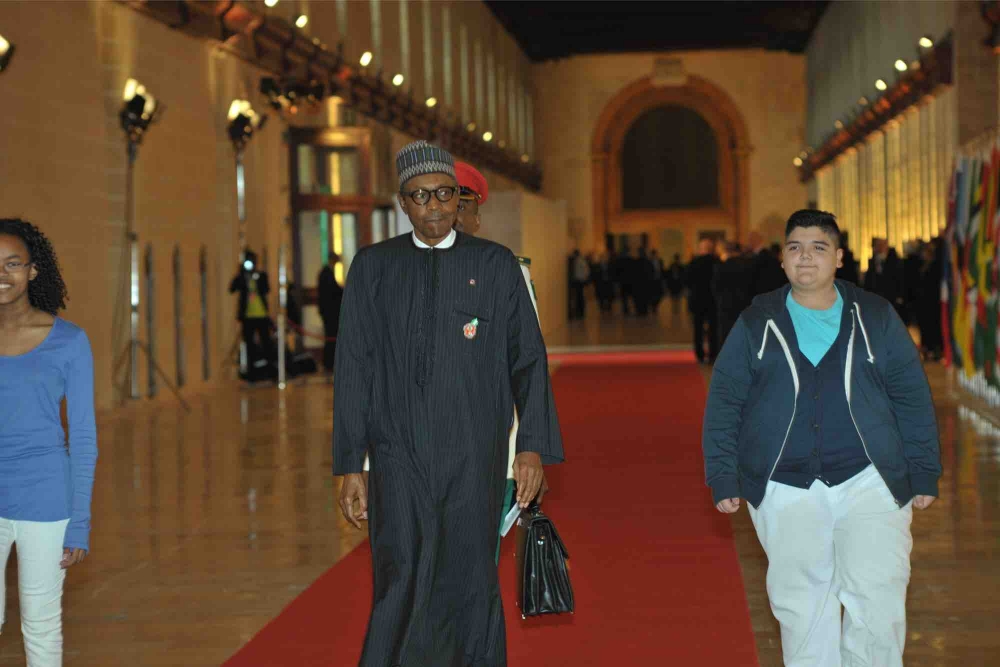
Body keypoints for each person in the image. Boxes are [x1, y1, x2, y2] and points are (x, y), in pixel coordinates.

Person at [333, 141, 564, 667]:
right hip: (396, 456)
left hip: (473, 454)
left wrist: (530, 449)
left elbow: (528, 361)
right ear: (403, 203)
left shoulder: (496, 265)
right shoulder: (373, 267)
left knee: (470, 576)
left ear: (459, 199)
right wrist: (351, 464)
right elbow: (353, 371)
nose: (433, 206)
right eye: (420, 197)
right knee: (401, 576)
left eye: (443, 194)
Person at [702, 210, 941, 667]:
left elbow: (911, 394)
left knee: (877, 598)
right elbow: (725, 400)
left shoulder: (875, 316)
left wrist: (924, 470)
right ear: (782, 259)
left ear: (839, 258)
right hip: (784, 485)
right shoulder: (756, 322)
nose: (805, 257)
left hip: (870, 480)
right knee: (802, 608)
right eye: (794, 248)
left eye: (818, 248)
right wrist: (723, 475)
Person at [0, 218, 98, 666]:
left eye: (13, 263)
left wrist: (80, 520)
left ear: (32, 270)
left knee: (40, 623)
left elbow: (83, 437)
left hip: (46, 499)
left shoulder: (69, 342)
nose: (3, 274)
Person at [228, 249, 271, 367]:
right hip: (247, 316)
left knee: (266, 343)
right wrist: (240, 274)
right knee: (249, 345)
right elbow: (232, 289)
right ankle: (251, 372)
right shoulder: (242, 277)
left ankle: (270, 368)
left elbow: (267, 289)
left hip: (261, 315)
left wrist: (256, 279)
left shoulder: (261, 275)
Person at [686, 238, 720, 363]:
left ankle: (699, 354)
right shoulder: (717, 262)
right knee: (713, 329)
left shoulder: (693, 262)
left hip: (697, 300)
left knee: (698, 328)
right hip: (713, 300)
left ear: (701, 249)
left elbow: (687, 281)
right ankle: (712, 354)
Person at [316, 253, 343, 373]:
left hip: (329, 311)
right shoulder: (326, 273)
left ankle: (330, 363)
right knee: (331, 337)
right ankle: (329, 363)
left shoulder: (327, 272)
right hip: (330, 312)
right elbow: (332, 293)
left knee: (331, 336)